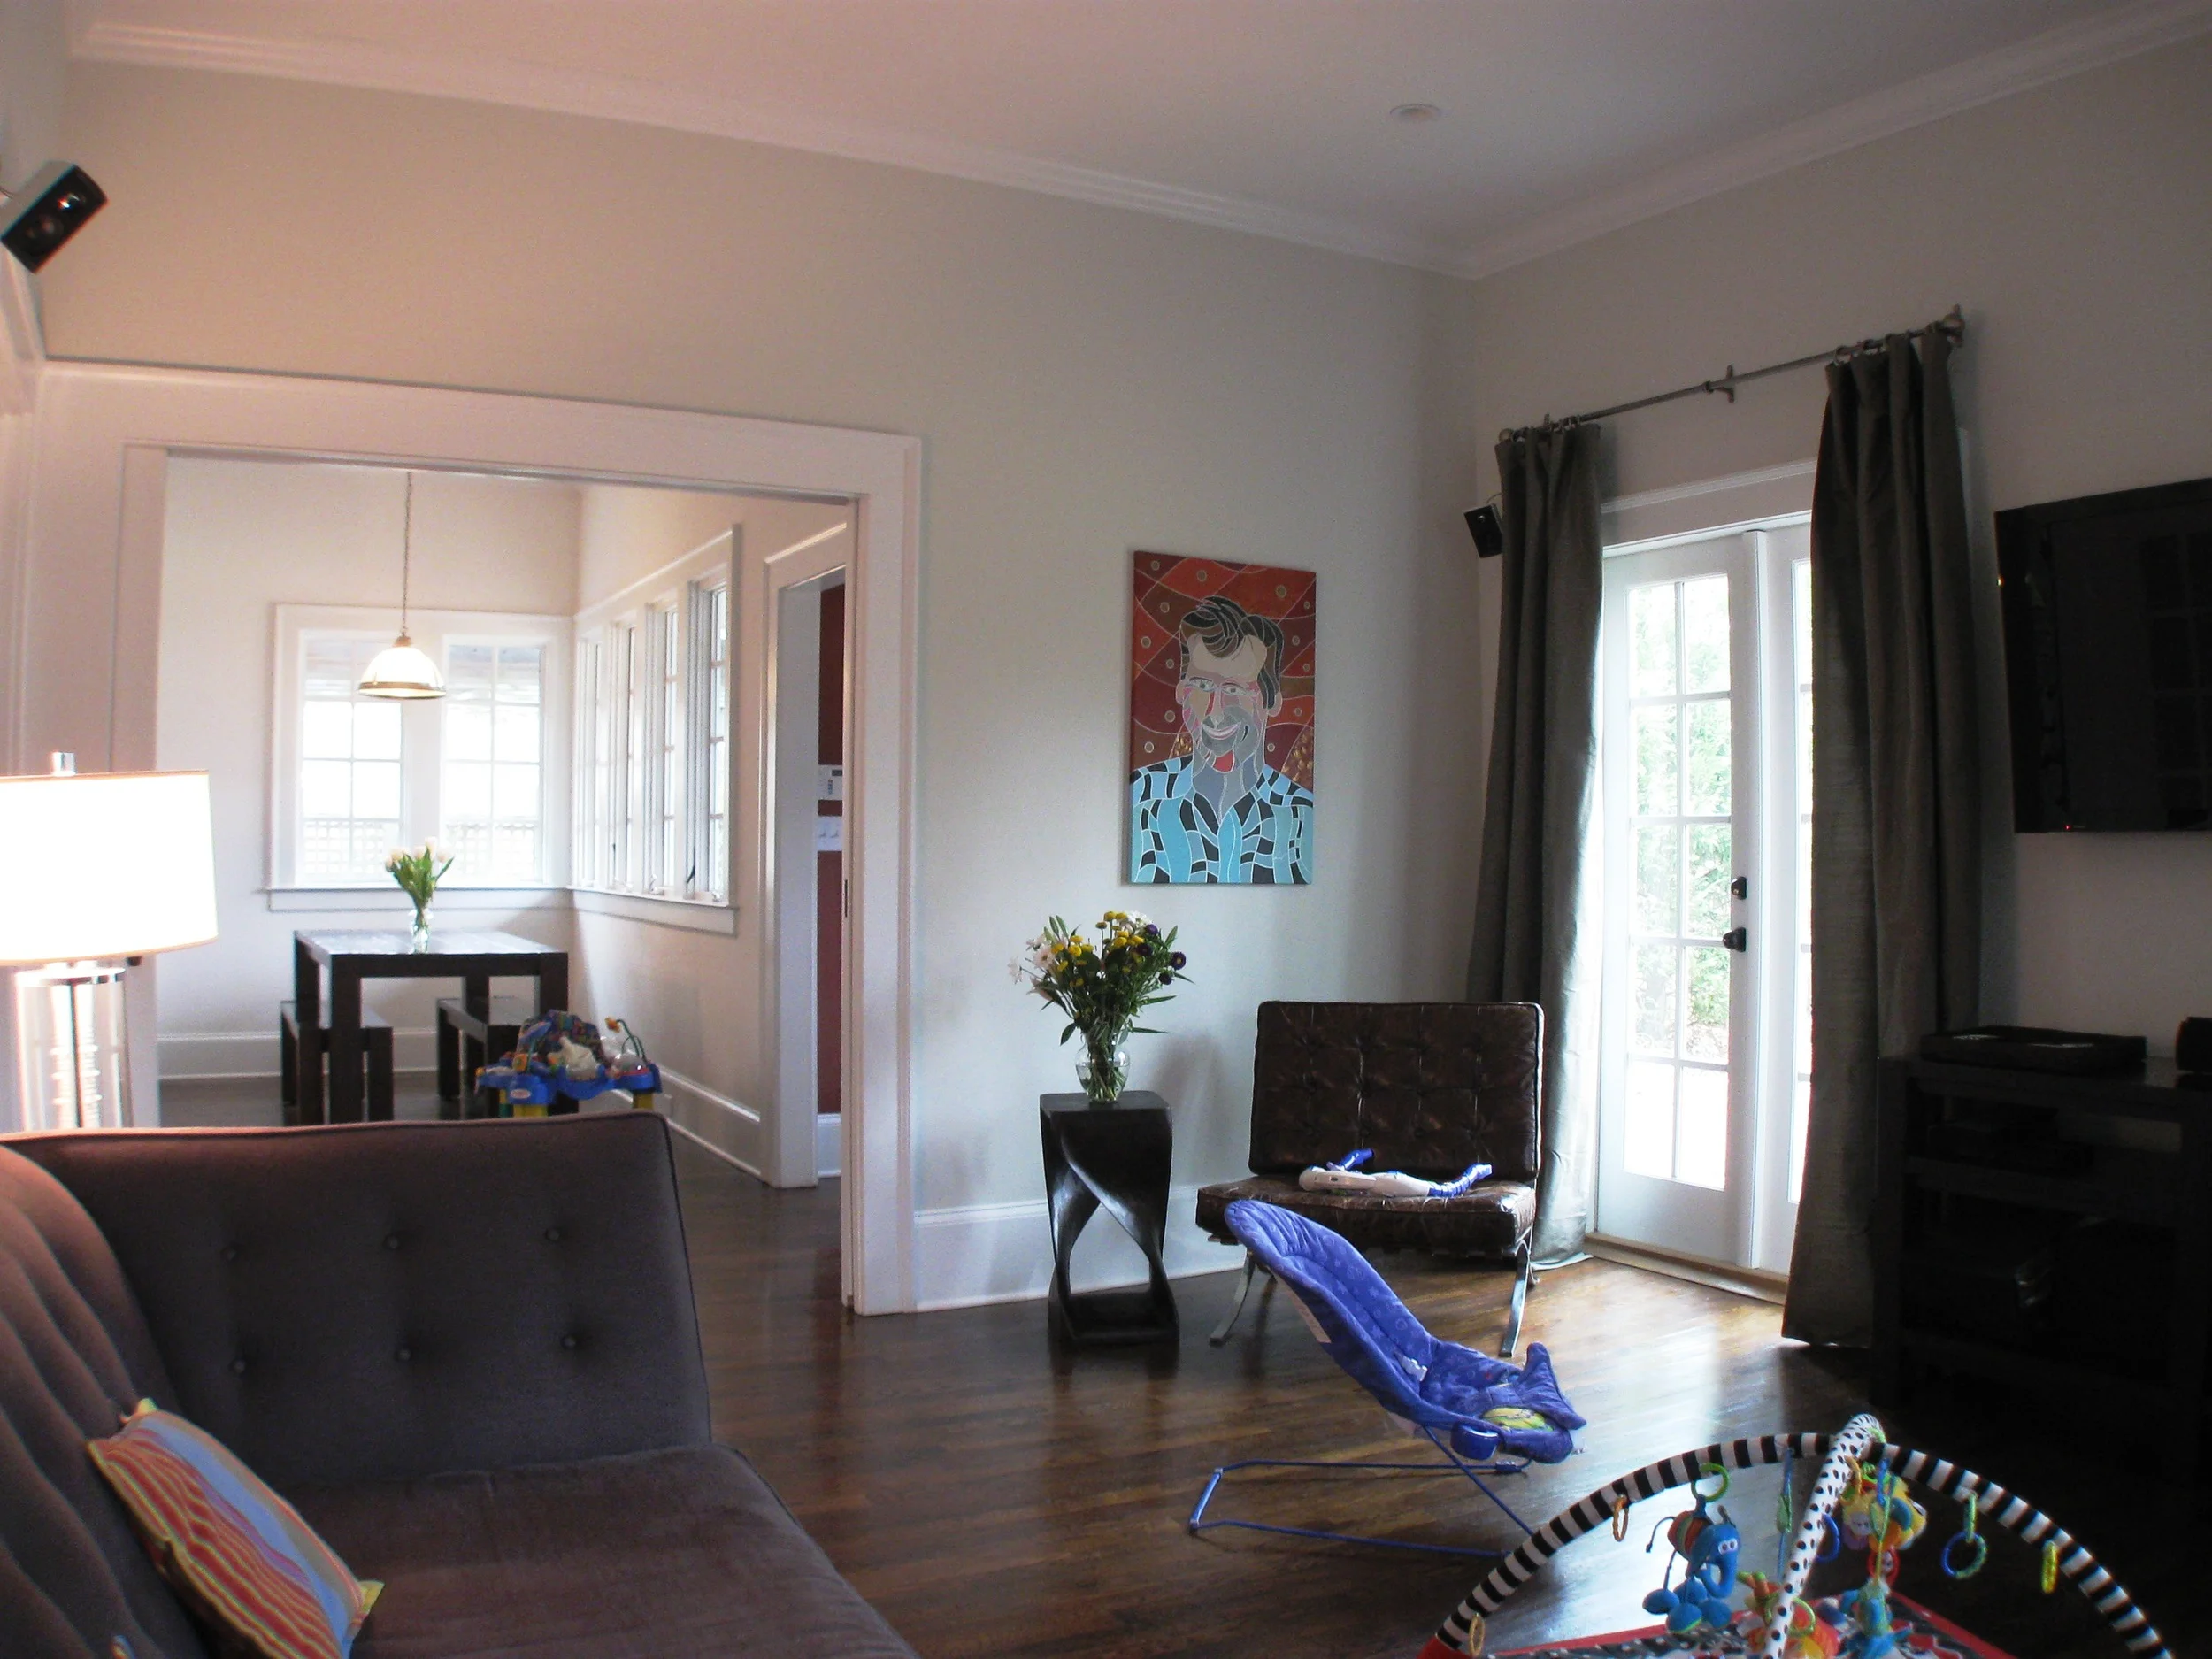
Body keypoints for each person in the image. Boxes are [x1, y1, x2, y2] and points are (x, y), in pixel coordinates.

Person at [1130, 594, 1311, 884]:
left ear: (1272, 702)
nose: (1215, 711)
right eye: (1202, 685)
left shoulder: (1302, 815)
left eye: (1235, 690)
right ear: (1181, 692)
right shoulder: (1141, 796)